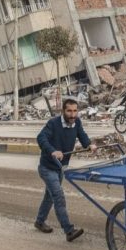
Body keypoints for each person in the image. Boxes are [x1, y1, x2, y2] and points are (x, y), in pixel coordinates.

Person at [34, 98, 97, 242]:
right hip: (47, 167)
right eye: (69, 111)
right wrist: (52, 151)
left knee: (49, 196)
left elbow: (82, 136)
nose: (73, 115)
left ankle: (39, 221)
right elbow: (41, 138)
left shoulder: (77, 123)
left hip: (60, 168)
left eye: (75, 111)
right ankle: (69, 230)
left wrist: (89, 144)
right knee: (58, 196)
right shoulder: (53, 123)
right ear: (63, 111)